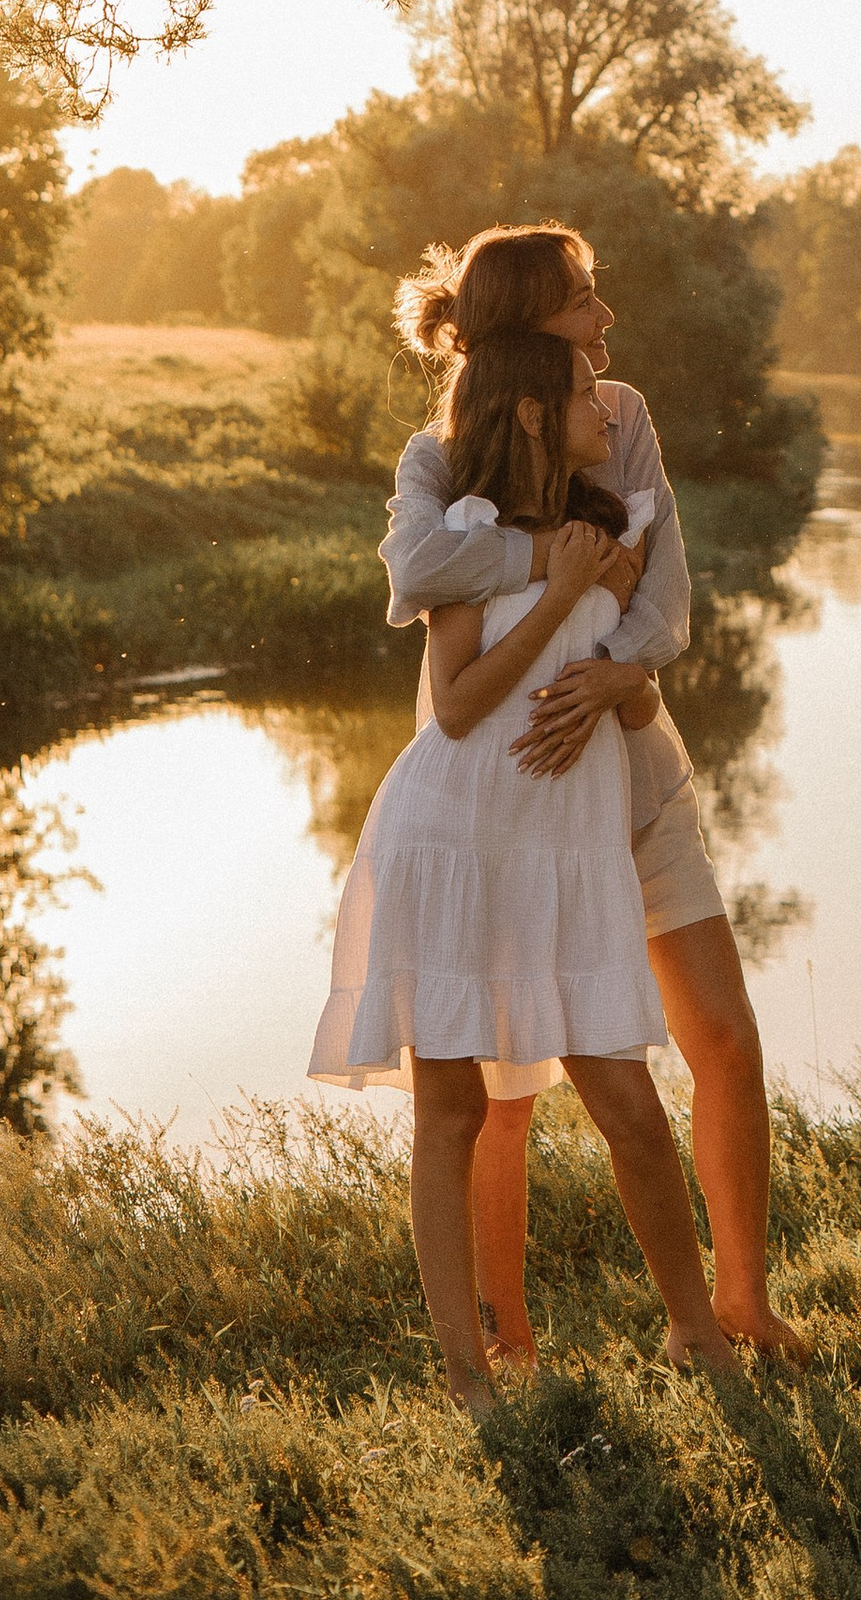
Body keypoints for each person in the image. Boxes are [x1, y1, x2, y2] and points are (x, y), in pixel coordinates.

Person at [375, 220, 807, 1367]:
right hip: (508, 805)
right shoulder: (437, 460)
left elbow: (664, 591)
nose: (603, 321)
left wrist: (622, 664)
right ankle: (503, 1336)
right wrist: (557, 563)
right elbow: (421, 576)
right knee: (500, 1081)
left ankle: (738, 1304)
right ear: (527, 335)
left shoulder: (620, 416)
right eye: (581, 300)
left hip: (631, 772)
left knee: (717, 1028)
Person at [311, 328, 740, 1408]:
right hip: (453, 841)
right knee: (450, 1111)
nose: (614, 405)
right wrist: (554, 593)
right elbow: (455, 706)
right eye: (591, 390)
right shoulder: (468, 533)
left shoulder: (612, 527)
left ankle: (700, 1335)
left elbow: (636, 691)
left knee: (629, 1105)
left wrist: (613, 681)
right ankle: (470, 1376)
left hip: (566, 854)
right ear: (539, 413)